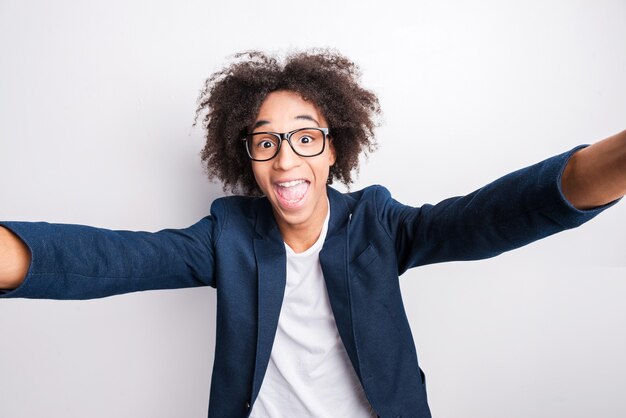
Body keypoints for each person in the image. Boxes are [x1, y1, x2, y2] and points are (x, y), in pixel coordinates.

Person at [0, 49, 624, 418]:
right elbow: (111, 259)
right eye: (266, 141)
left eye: (305, 137)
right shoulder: (230, 234)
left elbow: (491, 215)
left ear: (334, 152)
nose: (286, 158)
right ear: (247, 157)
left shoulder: (377, 224)